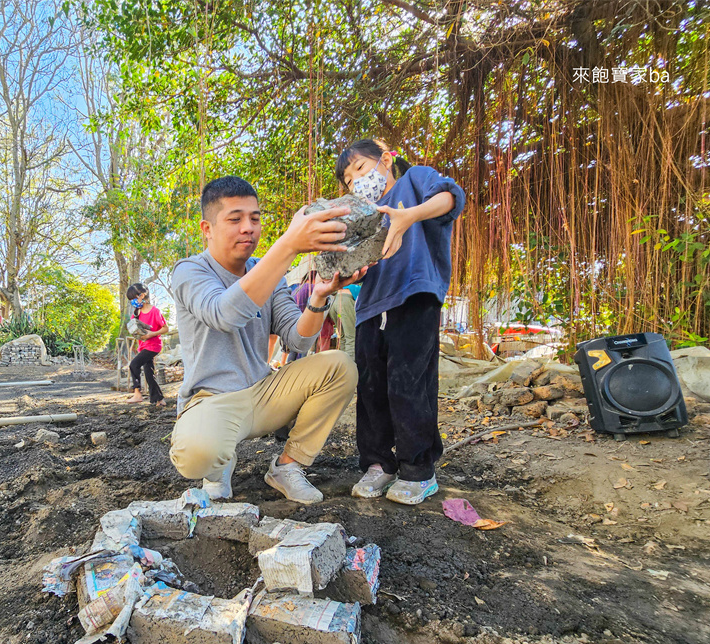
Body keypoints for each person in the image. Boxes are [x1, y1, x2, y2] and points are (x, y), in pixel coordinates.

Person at [168, 175, 363, 505]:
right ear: (207, 229)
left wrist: (317, 298)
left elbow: (298, 340)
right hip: (212, 399)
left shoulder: (268, 272)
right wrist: (287, 246)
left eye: (255, 219)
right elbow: (224, 314)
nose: (249, 228)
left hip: (263, 393)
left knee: (340, 366)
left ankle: (287, 467)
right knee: (195, 454)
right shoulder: (189, 272)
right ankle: (217, 469)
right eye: (235, 219)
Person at [335, 139, 465, 504]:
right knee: (371, 389)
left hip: (414, 296)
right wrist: (346, 274)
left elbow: (452, 197)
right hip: (370, 307)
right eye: (348, 180)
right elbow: (360, 263)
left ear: (386, 160)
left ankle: (417, 469)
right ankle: (379, 464)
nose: (355, 182)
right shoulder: (362, 213)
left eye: (360, 170)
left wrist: (409, 214)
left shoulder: (416, 181)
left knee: (409, 383)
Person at [125, 283, 168, 407]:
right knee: (149, 372)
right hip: (143, 346)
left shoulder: (155, 311)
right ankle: (159, 399)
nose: (132, 302)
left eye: (134, 298)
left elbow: (165, 329)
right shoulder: (137, 313)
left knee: (134, 364)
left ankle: (137, 394)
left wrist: (151, 334)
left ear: (142, 295)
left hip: (153, 346)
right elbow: (134, 327)